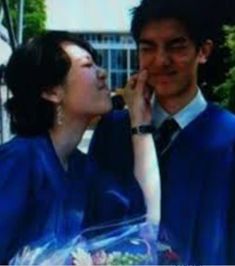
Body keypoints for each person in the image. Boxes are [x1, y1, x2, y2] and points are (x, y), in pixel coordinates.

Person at [89, 0, 235, 264]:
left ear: (203, 51)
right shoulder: (111, 131)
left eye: (176, 46)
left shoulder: (229, 135)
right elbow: (94, 224)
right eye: (148, 48)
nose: (161, 60)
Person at [0, 31, 160, 263]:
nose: (103, 73)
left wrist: (139, 122)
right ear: (52, 91)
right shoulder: (19, 161)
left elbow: (144, 225)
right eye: (87, 66)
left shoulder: (83, 170)